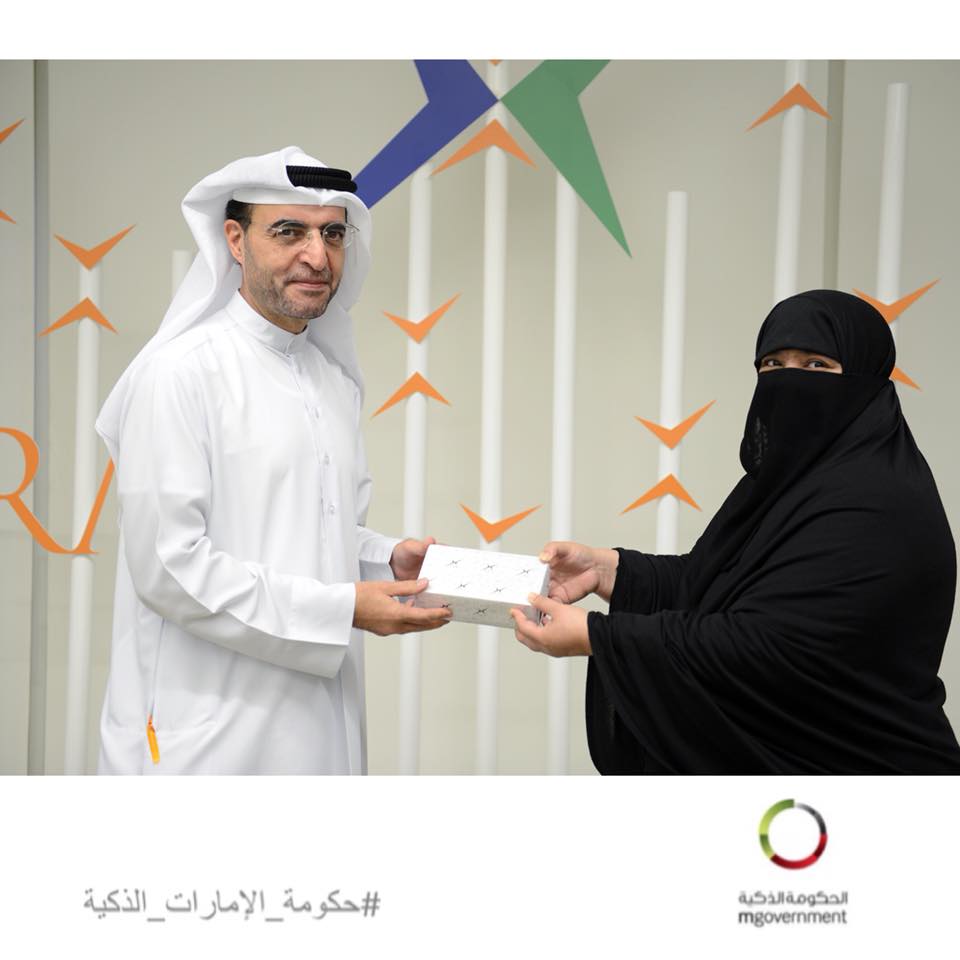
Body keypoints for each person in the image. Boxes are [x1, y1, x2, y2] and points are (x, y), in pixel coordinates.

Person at [95, 147, 451, 775]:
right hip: (205, 743)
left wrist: (386, 558)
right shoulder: (179, 374)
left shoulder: (332, 380)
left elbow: (313, 529)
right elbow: (170, 566)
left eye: (332, 234)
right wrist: (341, 611)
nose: (317, 256)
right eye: (289, 232)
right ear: (235, 240)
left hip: (321, 728)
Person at [511, 289, 960, 774]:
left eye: (816, 365)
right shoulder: (794, 484)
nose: (788, 381)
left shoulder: (878, 501)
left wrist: (598, 635)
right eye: (772, 365)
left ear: (865, 379)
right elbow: (721, 582)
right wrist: (607, 570)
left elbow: (773, 644)